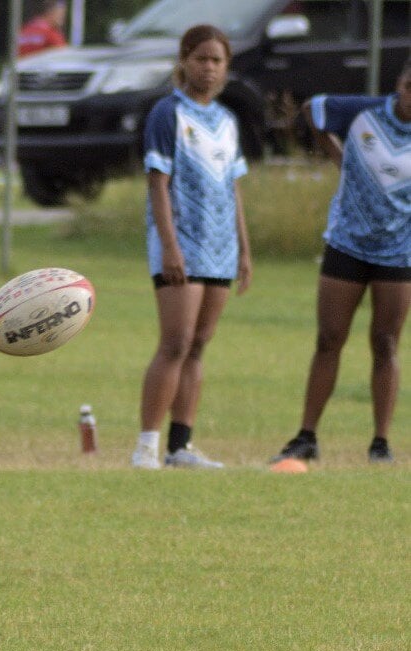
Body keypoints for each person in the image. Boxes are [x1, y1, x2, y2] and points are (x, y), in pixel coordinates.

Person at [271, 59, 411, 465]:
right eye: (409, 85)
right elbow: (313, 109)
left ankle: (380, 443)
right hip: (347, 244)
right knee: (329, 338)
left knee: (386, 343)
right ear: (398, 84)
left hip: (398, 252)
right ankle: (306, 436)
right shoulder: (365, 113)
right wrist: (340, 157)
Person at [130, 24, 253, 470]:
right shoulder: (168, 114)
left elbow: (232, 189)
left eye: (217, 60)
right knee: (176, 343)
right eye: (200, 58)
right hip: (182, 245)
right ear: (184, 60)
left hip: (220, 248)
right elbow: (158, 185)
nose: (208, 68)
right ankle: (146, 445)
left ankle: (180, 446)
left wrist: (243, 248)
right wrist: (170, 247)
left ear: (226, 67)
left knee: (199, 344)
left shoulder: (226, 121)